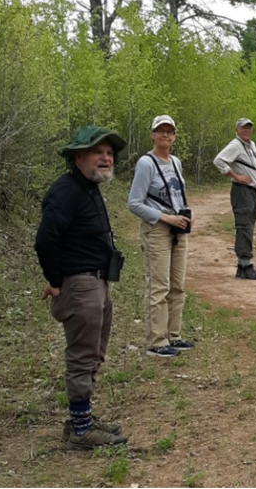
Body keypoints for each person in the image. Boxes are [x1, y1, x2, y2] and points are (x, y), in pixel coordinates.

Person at [34, 126, 129, 449]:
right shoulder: (66, 190)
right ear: (78, 157)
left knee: (94, 354)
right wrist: (56, 281)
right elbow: (45, 239)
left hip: (97, 281)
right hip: (80, 284)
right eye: (97, 152)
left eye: (108, 153)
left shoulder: (87, 186)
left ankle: (82, 417)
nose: (105, 158)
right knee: (81, 357)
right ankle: (80, 431)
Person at [128, 115, 195, 358]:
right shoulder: (146, 164)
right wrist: (165, 218)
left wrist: (186, 215)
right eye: (160, 131)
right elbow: (134, 203)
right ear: (152, 134)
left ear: (174, 136)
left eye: (169, 131)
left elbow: (177, 194)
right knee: (159, 286)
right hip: (157, 229)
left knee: (178, 285)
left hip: (178, 229)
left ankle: (174, 336)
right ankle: (157, 341)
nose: (165, 135)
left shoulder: (175, 162)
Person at [213, 118, 256, 280]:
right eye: (243, 128)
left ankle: (242, 267)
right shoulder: (235, 145)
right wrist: (236, 176)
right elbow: (218, 160)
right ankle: (246, 265)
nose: (247, 131)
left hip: (251, 192)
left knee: (248, 226)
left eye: (249, 128)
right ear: (237, 130)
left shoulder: (251, 145)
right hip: (242, 192)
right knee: (245, 226)